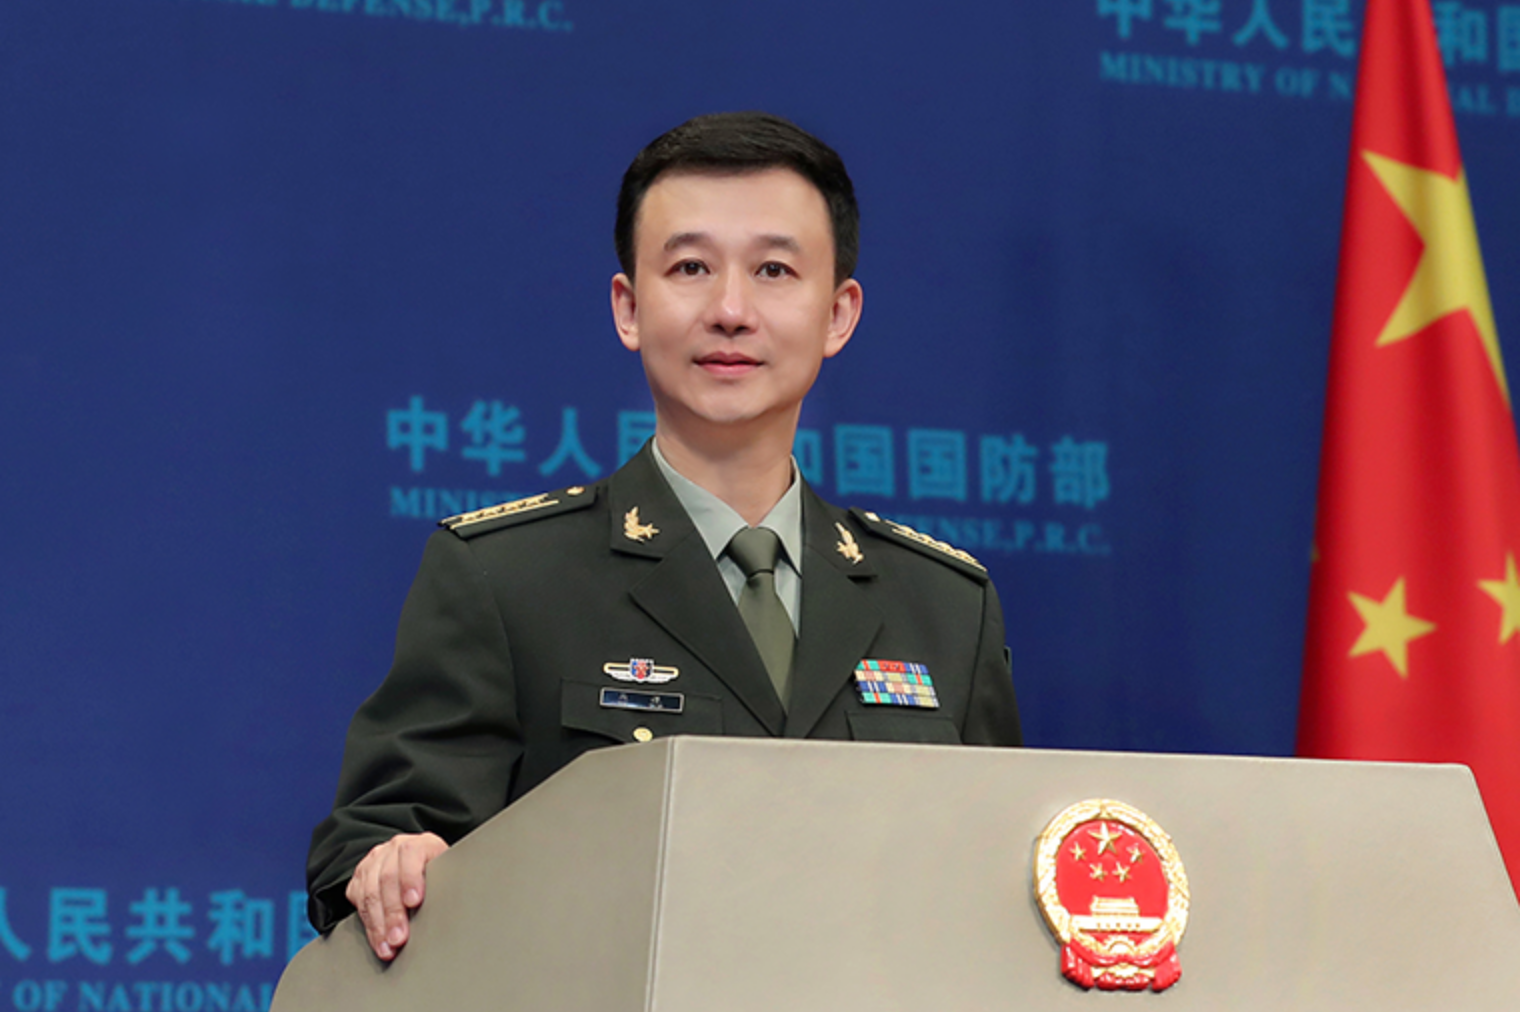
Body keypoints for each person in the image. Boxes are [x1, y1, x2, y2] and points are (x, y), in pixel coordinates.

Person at [306, 111, 1023, 960]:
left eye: (774, 270)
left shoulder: (946, 607)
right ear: (629, 307)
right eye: (690, 268)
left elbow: (1001, 888)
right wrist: (394, 864)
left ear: (839, 314)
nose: (731, 310)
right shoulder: (506, 579)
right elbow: (375, 841)